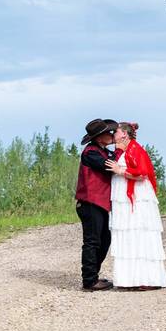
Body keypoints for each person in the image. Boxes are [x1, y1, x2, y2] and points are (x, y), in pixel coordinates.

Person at [105, 122, 166, 290]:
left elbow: (142, 173)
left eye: (116, 131)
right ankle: (129, 279)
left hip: (138, 197)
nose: (114, 134)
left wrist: (120, 171)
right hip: (124, 200)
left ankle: (149, 278)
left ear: (124, 135)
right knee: (127, 234)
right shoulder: (122, 151)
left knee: (140, 232)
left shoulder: (136, 150)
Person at [75, 118, 118, 291]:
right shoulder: (91, 152)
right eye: (109, 133)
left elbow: (115, 159)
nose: (112, 135)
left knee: (104, 239)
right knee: (92, 241)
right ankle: (89, 280)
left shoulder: (102, 151)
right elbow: (110, 166)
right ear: (100, 137)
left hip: (98, 204)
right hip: (89, 203)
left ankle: (93, 276)